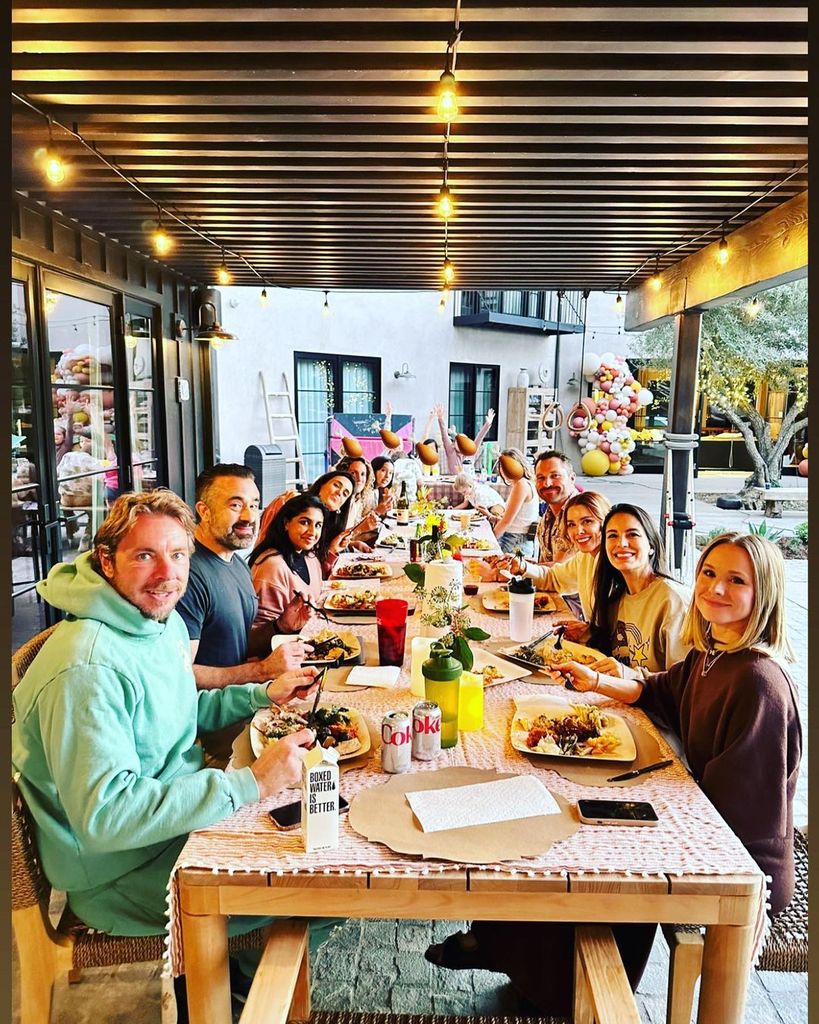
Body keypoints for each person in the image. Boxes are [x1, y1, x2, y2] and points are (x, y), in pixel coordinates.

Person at [11, 490, 322, 1008]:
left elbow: (177, 710)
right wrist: (249, 783)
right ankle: (231, 980)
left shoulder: (159, 621)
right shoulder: (86, 669)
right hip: (119, 871)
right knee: (317, 880)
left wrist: (262, 694)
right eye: (144, 556)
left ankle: (239, 969)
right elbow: (108, 817)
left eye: (177, 555)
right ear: (106, 560)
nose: (167, 574)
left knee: (322, 835)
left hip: (173, 821)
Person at [557, 531, 801, 914]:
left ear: (764, 593)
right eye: (708, 573)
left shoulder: (758, 682)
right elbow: (657, 691)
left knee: (596, 857)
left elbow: (744, 814)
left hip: (739, 869)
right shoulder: (713, 654)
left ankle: (542, 961)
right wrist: (597, 681)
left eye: (736, 580)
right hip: (708, 827)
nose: (715, 588)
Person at [176, 464, 307, 691]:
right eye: (235, 505)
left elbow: (237, 643)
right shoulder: (187, 574)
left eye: (254, 505)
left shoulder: (237, 564)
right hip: (211, 720)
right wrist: (262, 671)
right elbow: (181, 673)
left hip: (241, 700)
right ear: (204, 511)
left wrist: (281, 626)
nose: (249, 516)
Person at [588, 503, 690, 675]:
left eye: (632, 534)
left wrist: (630, 675)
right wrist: (587, 633)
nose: (621, 543)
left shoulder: (673, 600)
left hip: (656, 702)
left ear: (651, 546)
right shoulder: (615, 599)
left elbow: (685, 681)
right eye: (612, 536)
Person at [518, 490, 611, 628]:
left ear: (605, 522)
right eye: (571, 524)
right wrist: (522, 567)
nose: (578, 531)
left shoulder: (615, 563)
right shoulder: (585, 557)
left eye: (587, 521)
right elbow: (554, 578)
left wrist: (592, 633)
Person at [248, 494, 325, 643]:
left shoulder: (310, 557)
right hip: (277, 650)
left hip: (305, 638)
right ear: (286, 523)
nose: (312, 532)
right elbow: (259, 631)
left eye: (318, 525)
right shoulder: (272, 565)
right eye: (304, 522)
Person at [486, 447, 539, 555]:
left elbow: (507, 521)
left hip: (514, 541)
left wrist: (489, 541)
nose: (502, 469)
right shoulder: (524, 483)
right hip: (517, 539)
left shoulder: (521, 485)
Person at [532, 450, 580, 565]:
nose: (547, 484)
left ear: (572, 478)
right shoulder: (547, 515)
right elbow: (547, 563)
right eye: (541, 478)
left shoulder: (580, 513)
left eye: (555, 476)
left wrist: (523, 567)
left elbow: (561, 569)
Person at [432, 403, 496, 475]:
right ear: (453, 444)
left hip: (469, 481)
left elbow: (480, 437)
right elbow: (444, 434)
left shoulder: (470, 452)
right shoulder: (450, 451)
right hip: (454, 482)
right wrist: (440, 418)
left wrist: (487, 424)